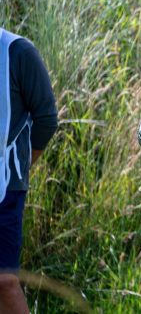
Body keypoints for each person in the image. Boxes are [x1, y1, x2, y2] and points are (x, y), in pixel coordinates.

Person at [0, 28, 58, 313]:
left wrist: (20, 167)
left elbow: (46, 119)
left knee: (5, 282)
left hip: (5, 185)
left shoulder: (19, 52)